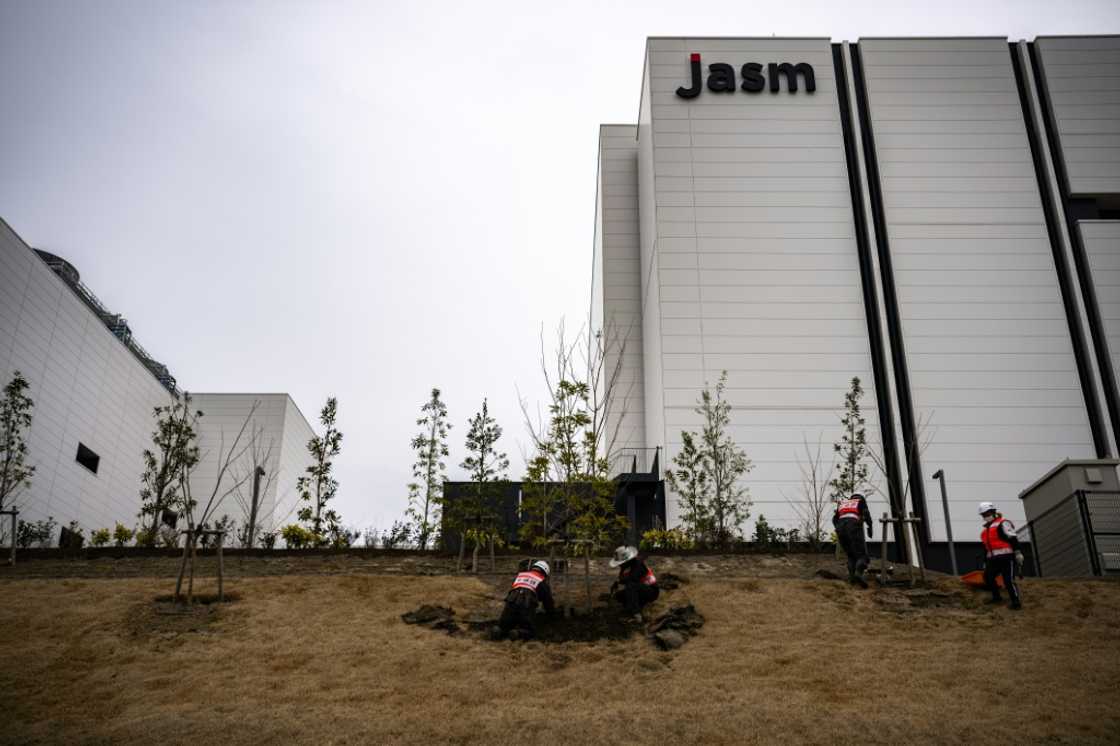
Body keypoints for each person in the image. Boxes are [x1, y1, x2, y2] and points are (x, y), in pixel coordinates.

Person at [493, 560, 556, 640]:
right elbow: (548, 601)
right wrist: (552, 615)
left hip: (511, 602)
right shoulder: (541, 580)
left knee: (504, 625)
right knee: (529, 630)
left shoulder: (520, 575)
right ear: (545, 573)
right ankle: (518, 634)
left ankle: (498, 631)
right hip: (527, 605)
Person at [979, 501, 1023, 610]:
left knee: (1008, 580)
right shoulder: (985, 531)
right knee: (987, 577)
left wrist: (1017, 552)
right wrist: (985, 561)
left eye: (987, 514)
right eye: (984, 515)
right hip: (992, 559)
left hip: (1006, 557)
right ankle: (996, 597)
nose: (986, 516)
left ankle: (1016, 602)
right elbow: (986, 548)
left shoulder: (1003, 523)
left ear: (994, 512)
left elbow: (1013, 538)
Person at [609, 545, 659, 622]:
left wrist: (621, 581)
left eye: (621, 563)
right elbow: (622, 579)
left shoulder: (638, 564)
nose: (619, 565)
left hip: (651, 591)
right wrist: (617, 583)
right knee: (619, 595)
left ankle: (636, 615)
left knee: (631, 586)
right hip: (640, 590)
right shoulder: (625, 568)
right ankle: (637, 606)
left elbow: (632, 579)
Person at [833, 492, 873, 587]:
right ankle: (858, 574)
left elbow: (834, 519)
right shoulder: (860, 502)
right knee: (862, 555)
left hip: (840, 528)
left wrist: (838, 528)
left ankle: (851, 579)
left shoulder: (843, 503)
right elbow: (866, 513)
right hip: (853, 526)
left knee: (851, 555)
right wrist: (870, 527)